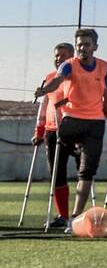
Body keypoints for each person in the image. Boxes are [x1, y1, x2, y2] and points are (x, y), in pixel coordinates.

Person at [34, 28, 107, 233]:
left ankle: (73, 219)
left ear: (95, 47)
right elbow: (57, 81)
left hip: (95, 123)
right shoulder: (68, 65)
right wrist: (45, 90)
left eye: (87, 44)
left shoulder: (104, 67)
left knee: (87, 172)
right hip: (71, 121)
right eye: (79, 44)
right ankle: (75, 148)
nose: (83, 47)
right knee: (64, 145)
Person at [31, 42, 76, 228]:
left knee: (85, 170)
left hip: (74, 128)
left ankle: (80, 214)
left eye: (64, 55)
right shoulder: (49, 78)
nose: (59, 59)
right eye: (57, 55)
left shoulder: (77, 76)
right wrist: (39, 131)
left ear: (72, 57)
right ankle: (62, 216)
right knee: (57, 173)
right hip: (52, 130)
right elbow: (44, 107)